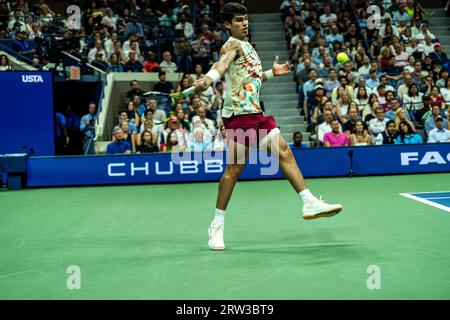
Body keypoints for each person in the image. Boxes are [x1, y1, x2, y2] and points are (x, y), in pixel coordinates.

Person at [190, 3, 343, 250]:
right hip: (239, 117)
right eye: (239, 20)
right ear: (227, 24)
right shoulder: (232, 45)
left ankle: (308, 201)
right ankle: (217, 224)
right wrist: (210, 78)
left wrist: (272, 72)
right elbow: (223, 64)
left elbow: (250, 77)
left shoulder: (248, 47)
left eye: (246, 19)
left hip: (256, 114)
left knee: (284, 151)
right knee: (234, 171)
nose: (245, 23)